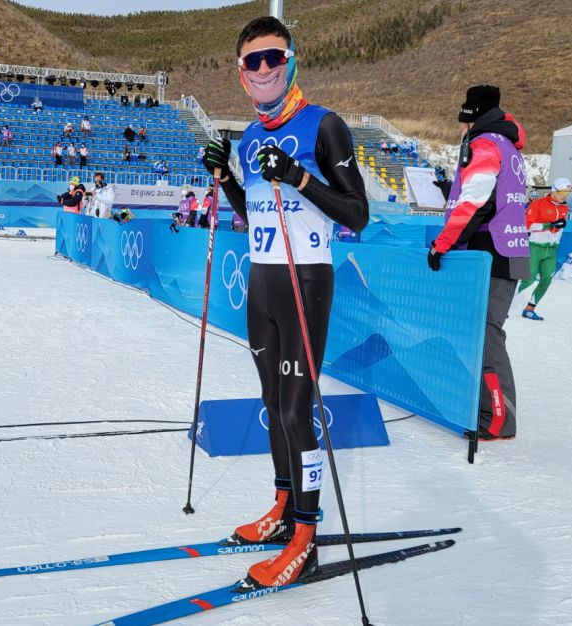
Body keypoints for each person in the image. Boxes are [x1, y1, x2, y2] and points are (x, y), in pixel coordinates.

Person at [201, 16, 368, 590]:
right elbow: (254, 216)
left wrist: (299, 175)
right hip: (262, 284)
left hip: (306, 284)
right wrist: (226, 177)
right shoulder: (250, 137)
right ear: (241, 74)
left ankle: (305, 537)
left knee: (298, 411)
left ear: (291, 60)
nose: (265, 68)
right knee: (273, 402)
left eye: (274, 57)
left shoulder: (325, 126)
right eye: (254, 61)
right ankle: (281, 509)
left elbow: (357, 215)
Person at [427, 84, 529, 442]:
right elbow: (489, 195)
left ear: (470, 119)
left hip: (492, 252)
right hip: (506, 248)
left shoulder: (485, 143)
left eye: (461, 122)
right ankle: (489, 409)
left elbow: (475, 204)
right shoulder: (508, 146)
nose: (459, 130)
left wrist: (442, 245)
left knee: (487, 337)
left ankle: (498, 419)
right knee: (484, 333)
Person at [518, 177, 571, 320]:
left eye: (567, 193)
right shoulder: (538, 204)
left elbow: (560, 227)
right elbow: (526, 225)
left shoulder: (565, 207)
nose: (564, 196)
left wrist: (558, 230)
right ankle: (503, 305)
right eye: (562, 193)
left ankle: (530, 308)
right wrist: (549, 225)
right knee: (527, 279)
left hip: (551, 249)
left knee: (546, 280)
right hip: (535, 247)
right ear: (554, 191)